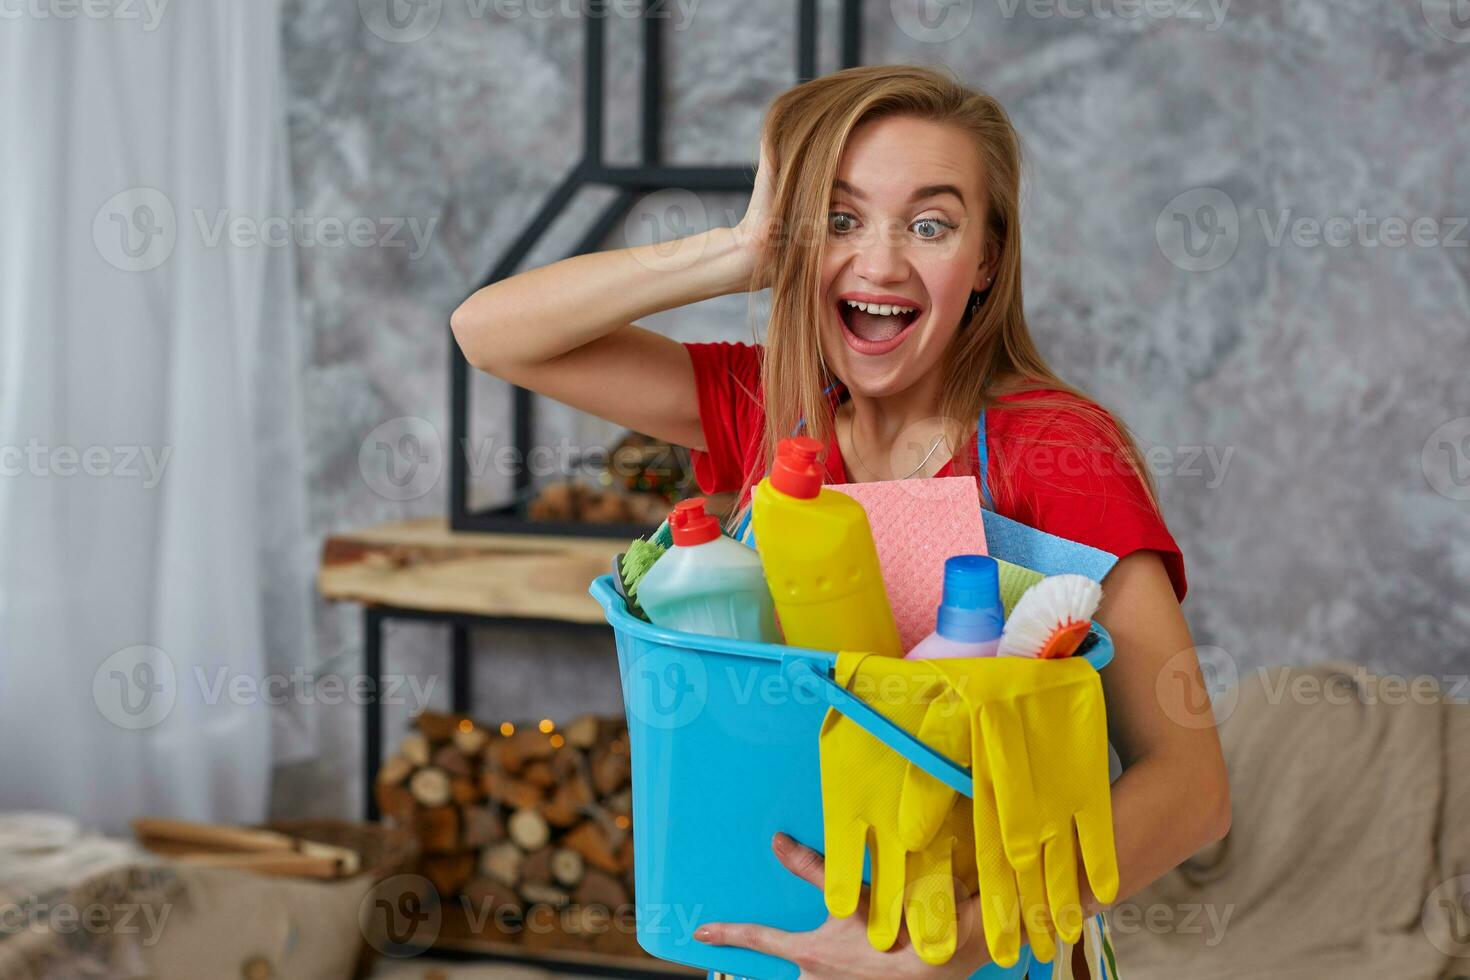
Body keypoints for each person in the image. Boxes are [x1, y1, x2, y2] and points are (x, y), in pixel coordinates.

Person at [452, 63, 1230, 980]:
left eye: (931, 225)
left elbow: (1191, 792)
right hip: (779, 942)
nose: (882, 262)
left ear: (986, 258)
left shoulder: (1057, 450)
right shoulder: (766, 406)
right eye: (841, 217)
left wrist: (952, 947)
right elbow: (489, 331)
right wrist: (738, 250)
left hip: (986, 954)